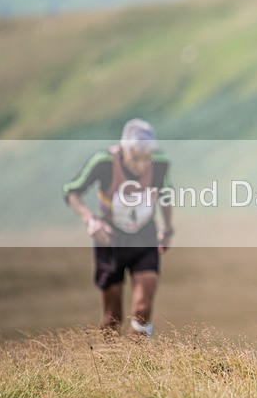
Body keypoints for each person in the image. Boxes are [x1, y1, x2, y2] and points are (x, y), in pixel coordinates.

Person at [63, 118, 174, 337]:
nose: (141, 166)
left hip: (145, 236)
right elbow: (71, 191)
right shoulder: (104, 162)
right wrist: (91, 221)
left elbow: (165, 194)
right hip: (110, 239)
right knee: (112, 318)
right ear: (123, 150)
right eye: (136, 159)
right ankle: (109, 364)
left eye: (146, 159)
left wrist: (168, 230)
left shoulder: (160, 163)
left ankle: (140, 362)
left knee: (143, 308)